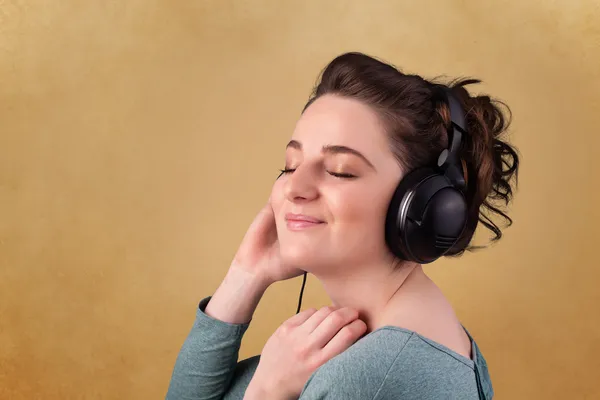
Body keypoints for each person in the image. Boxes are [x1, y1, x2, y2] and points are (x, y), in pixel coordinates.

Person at [165, 52, 519, 400]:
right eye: (290, 165)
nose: (295, 188)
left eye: (340, 170)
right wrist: (245, 277)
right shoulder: (395, 343)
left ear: (421, 206)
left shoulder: (367, 377)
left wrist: (267, 393)